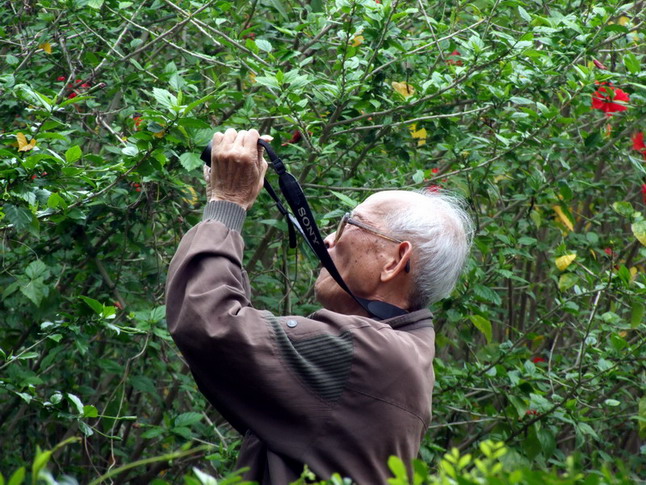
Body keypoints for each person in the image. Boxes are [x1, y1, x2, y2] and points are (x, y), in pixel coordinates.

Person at [166, 128, 473, 484]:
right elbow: (232, 332)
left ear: (394, 261)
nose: (328, 237)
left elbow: (210, 323)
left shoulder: (372, 354)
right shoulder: (404, 354)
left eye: (349, 223)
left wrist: (226, 203)